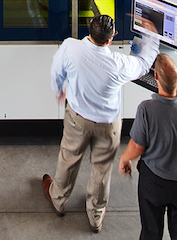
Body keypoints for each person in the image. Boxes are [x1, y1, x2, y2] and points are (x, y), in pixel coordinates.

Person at [42, 14, 158, 234]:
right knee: (101, 170)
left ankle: (58, 198)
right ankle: (95, 215)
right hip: (107, 125)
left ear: (90, 30)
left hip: (77, 119)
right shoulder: (119, 64)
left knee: (68, 159)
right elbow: (143, 64)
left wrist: (59, 89)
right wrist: (151, 35)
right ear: (110, 40)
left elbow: (57, 70)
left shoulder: (70, 48)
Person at [119, 53, 177, 240]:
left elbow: (137, 147)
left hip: (155, 183)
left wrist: (125, 159)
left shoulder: (146, 109)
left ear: (155, 77)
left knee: (151, 231)